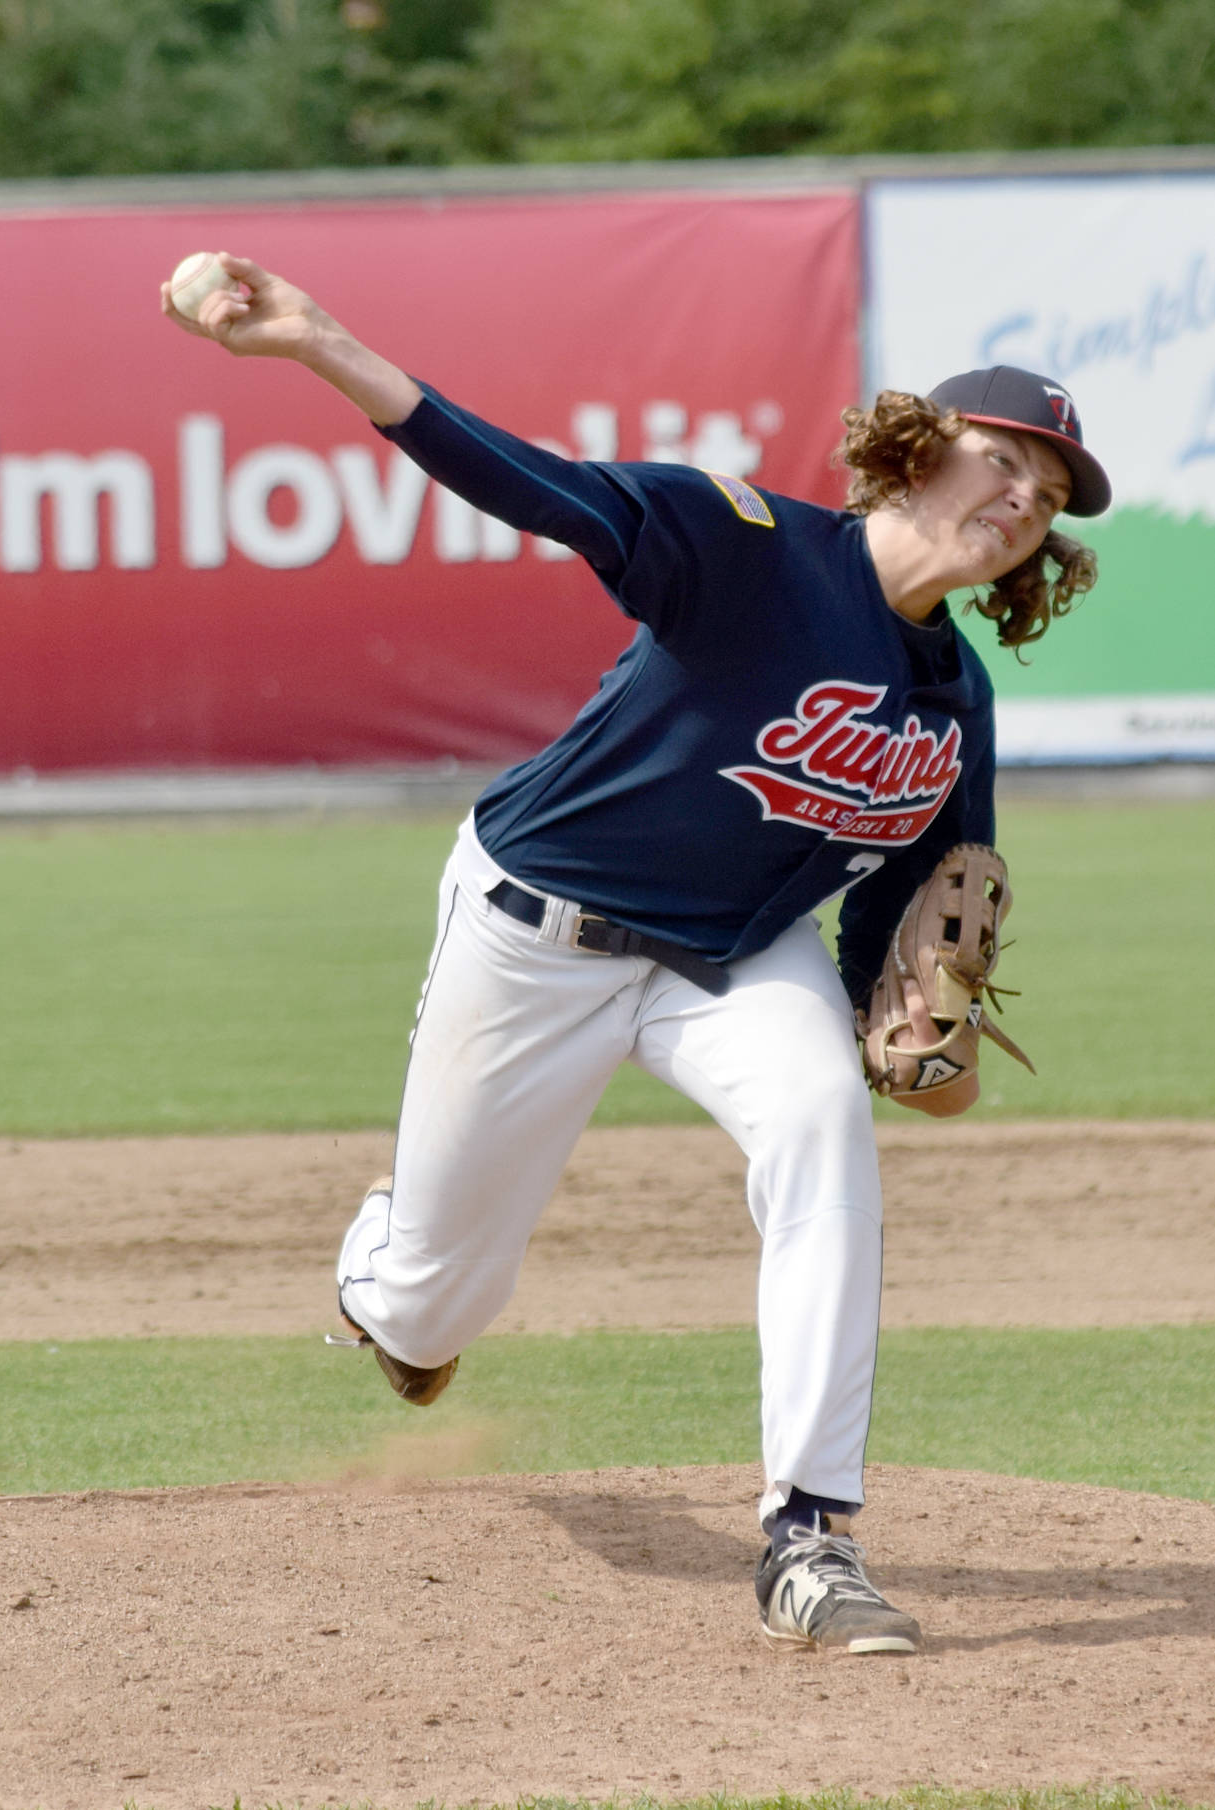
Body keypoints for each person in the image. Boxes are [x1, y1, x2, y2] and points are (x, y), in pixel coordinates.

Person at [163, 254, 1110, 1655]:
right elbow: (531, 482)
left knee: (820, 1127)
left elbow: (908, 916)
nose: (1025, 495)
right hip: (536, 929)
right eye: (1005, 455)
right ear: (917, 447)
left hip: (733, 957)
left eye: (1049, 488)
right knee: (431, 1306)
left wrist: (915, 1029)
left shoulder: (953, 695)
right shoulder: (744, 543)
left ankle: (808, 1534)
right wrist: (317, 343)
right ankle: (386, 1276)